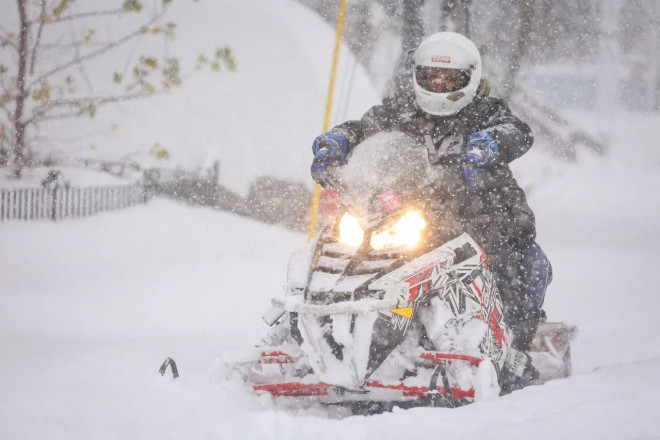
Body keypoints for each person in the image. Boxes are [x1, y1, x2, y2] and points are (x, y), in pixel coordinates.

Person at [309, 32, 550, 392]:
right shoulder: (402, 110)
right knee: (348, 250)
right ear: (418, 76)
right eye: (431, 77)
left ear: (469, 78)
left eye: (449, 79)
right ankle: (315, 329)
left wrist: (490, 143)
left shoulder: (486, 111)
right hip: (414, 214)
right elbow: (366, 127)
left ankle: (511, 348)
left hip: (482, 215)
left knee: (506, 262)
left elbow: (517, 131)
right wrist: (340, 139)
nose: (439, 85)